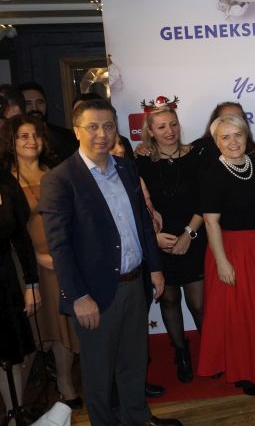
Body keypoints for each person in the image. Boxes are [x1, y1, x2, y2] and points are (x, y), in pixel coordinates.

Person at [39, 98, 180, 426]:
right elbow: (60, 246)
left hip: (135, 283)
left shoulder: (126, 168)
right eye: (92, 126)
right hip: (94, 294)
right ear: (77, 131)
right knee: (99, 373)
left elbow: (143, 222)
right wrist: (78, 296)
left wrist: (155, 268)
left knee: (134, 363)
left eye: (108, 126)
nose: (101, 134)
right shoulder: (60, 179)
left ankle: (137, 418)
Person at [3, 115, 81, 409]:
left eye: (35, 135)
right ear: (11, 142)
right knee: (30, 333)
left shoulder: (57, 173)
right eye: (23, 136)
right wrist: (37, 258)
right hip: (27, 267)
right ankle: (16, 406)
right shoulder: (6, 181)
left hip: (61, 262)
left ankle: (66, 384)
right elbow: (10, 232)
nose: (31, 141)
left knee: (62, 327)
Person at [197, 114, 255, 396]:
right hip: (232, 249)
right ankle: (245, 372)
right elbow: (211, 221)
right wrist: (222, 262)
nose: (233, 142)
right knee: (240, 314)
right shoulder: (212, 174)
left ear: (246, 136)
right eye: (225, 137)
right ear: (216, 142)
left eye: (238, 135)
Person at [137, 103, 207, 384]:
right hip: (159, 243)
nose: (170, 131)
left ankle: (211, 351)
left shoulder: (196, 156)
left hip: (193, 238)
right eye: (162, 126)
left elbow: (206, 201)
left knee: (199, 303)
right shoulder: (141, 161)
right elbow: (138, 207)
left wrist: (188, 234)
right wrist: (154, 239)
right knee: (168, 299)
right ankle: (181, 353)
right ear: (150, 131)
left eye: (173, 124)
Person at [0, 149, 41, 424]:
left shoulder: (5, 181)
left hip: (4, 280)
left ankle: (14, 415)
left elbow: (21, 238)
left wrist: (31, 282)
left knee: (10, 354)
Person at [19, 81, 79, 164]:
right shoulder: (13, 139)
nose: (35, 108)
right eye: (28, 104)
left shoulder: (66, 137)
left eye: (40, 102)